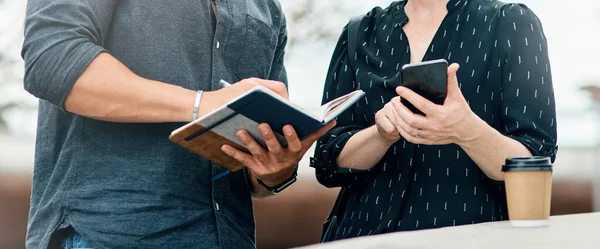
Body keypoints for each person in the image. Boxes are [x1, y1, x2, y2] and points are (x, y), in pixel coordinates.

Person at [22, 0, 334, 248]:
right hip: (106, 233)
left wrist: (275, 169)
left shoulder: (268, 9)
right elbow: (52, 59)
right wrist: (201, 104)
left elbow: (255, 171)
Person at [312, 0, 558, 241]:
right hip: (362, 235)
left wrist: (466, 131)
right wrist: (380, 135)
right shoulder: (360, 32)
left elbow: (535, 161)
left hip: (470, 237)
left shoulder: (511, 21)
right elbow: (328, 162)